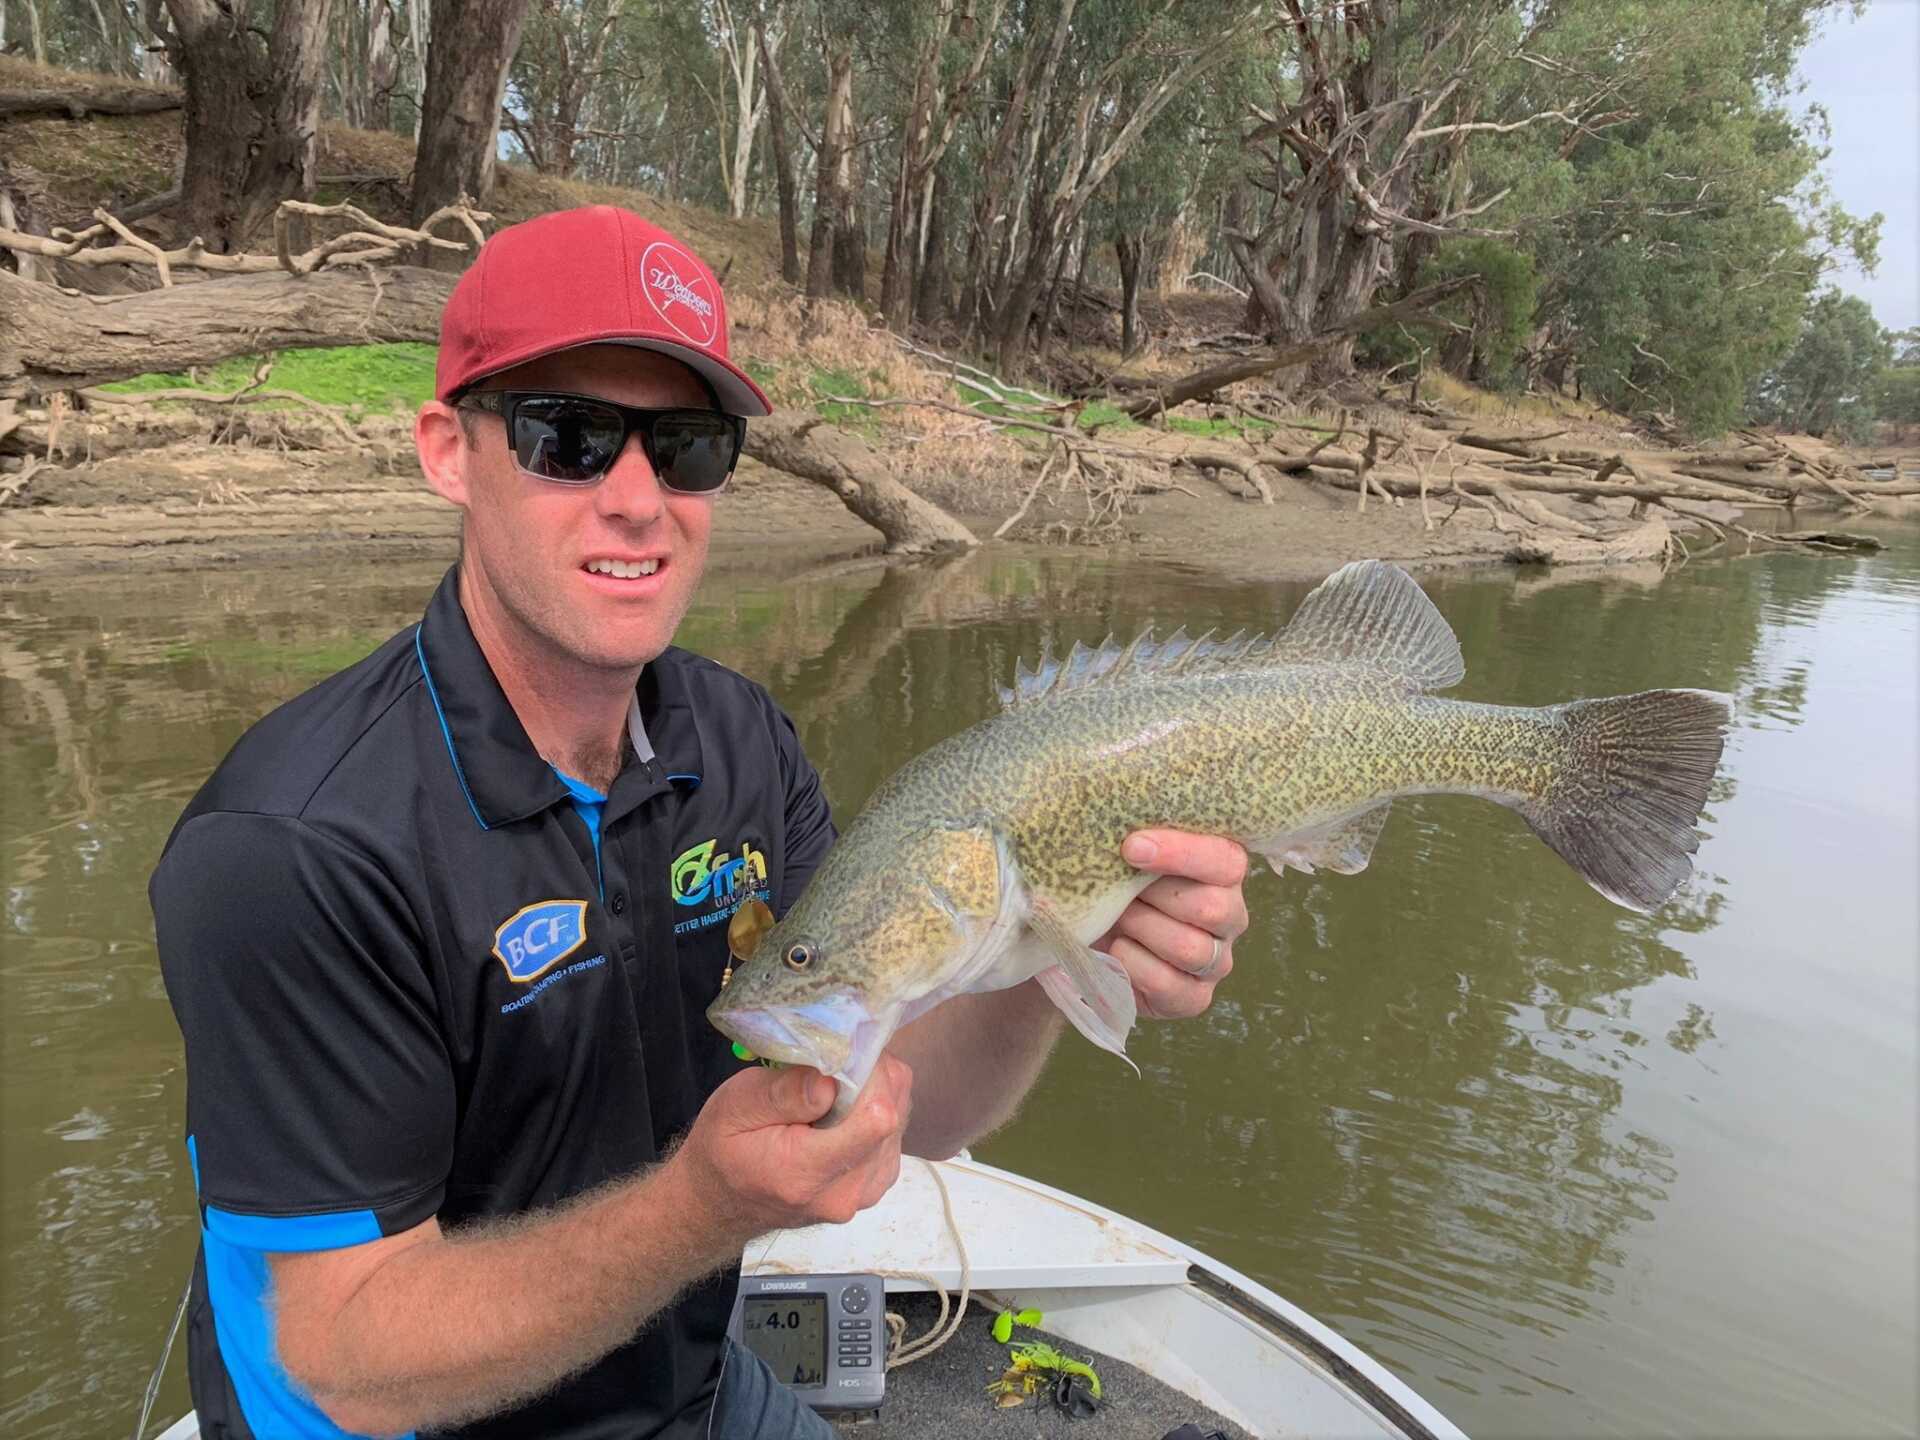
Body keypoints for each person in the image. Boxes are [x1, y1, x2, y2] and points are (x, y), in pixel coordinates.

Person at [151, 205, 1250, 1440]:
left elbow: (910, 1096)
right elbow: (342, 1357)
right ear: (448, 453)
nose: (638, 499)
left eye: (686, 446)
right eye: (568, 437)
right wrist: (697, 1209)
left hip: (688, 1392)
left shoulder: (739, 745)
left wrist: (1055, 942)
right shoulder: (295, 848)